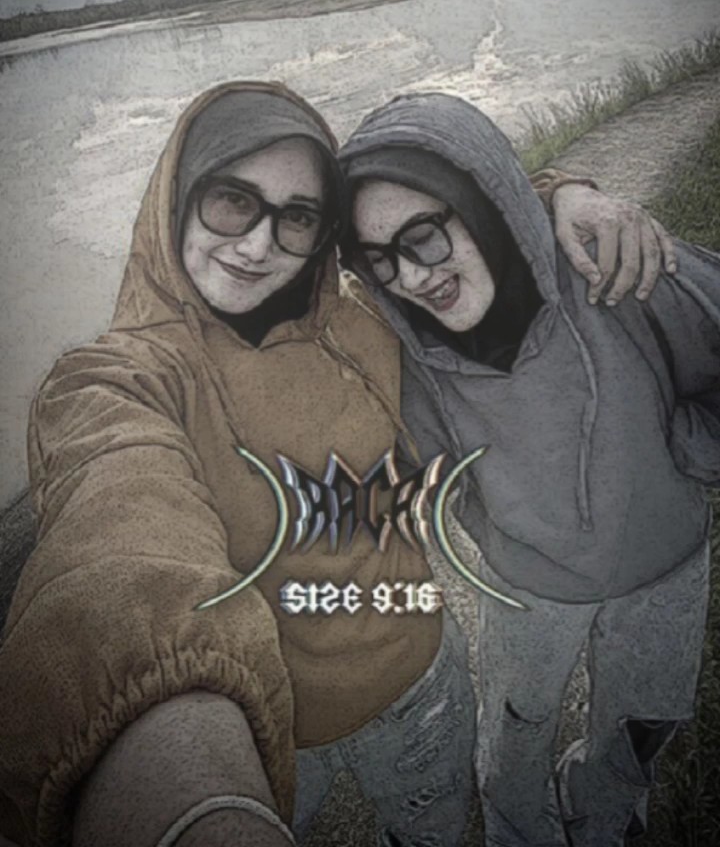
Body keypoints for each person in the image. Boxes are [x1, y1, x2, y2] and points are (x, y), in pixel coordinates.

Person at [0, 80, 673, 847]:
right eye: (232, 201)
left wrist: (562, 195)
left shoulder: (364, 316)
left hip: (420, 680)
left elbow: (469, 230)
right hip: (275, 725)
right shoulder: (124, 379)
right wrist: (192, 798)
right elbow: (120, 541)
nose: (258, 245)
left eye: (296, 217)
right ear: (176, 196)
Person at [339, 89, 720, 847]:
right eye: (383, 260)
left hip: (667, 570)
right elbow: (412, 474)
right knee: (516, 732)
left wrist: (686, 449)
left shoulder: (613, 265)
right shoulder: (406, 356)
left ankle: (605, 816)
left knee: (643, 725)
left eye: (424, 236)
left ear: (484, 205)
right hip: (526, 592)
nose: (412, 277)